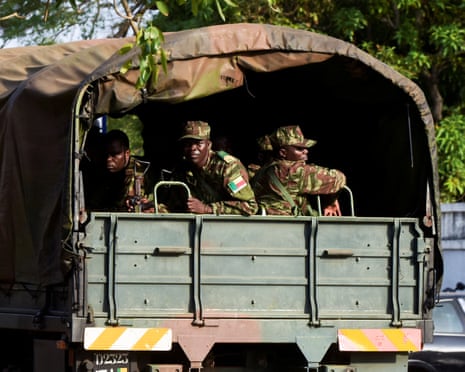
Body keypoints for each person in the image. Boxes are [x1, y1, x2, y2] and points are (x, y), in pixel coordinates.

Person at [159, 121, 258, 215]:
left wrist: (207, 208)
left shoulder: (228, 168)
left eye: (199, 143)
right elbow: (176, 205)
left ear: (209, 145)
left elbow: (250, 206)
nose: (193, 148)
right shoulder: (182, 169)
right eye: (188, 144)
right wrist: (158, 209)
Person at [251, 125, 346, 216]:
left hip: (265, 224)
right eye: (299, 149)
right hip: (288, 227)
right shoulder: (293, 171)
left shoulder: (264, 169)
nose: (306, 151)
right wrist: (330, 201)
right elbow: (339, 178)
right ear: (283, 153)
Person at [85, 129, 154, 212]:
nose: (108, 159)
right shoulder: (102, 171)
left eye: (114, 154)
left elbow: (130, 202)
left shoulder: (139, 171)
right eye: (106, 154)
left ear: (127, 153)